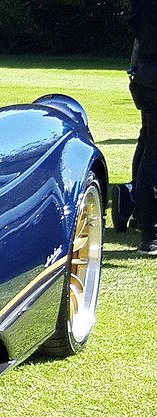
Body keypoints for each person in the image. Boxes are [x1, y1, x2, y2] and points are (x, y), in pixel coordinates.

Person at [130, 0, 157, 254]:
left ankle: (141, 215)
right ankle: (150, 229)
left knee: (148, 142)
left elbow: (135, 23)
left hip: (146, 71)